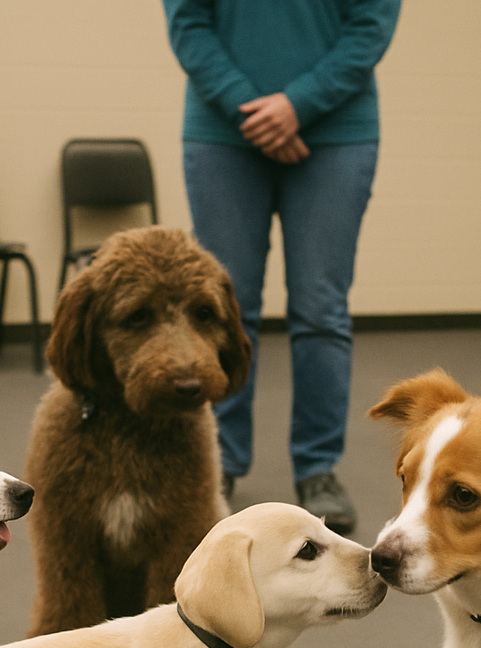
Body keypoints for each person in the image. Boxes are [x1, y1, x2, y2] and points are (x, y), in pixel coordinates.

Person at [163, 0, 402, 532]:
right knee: (223, 307)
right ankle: (218, 462)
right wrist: (253, 108)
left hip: (337, 132)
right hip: (223, 131)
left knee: (321, 309)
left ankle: (318, 468)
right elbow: (188, 21)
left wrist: (299, 105)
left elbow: (371, 23)